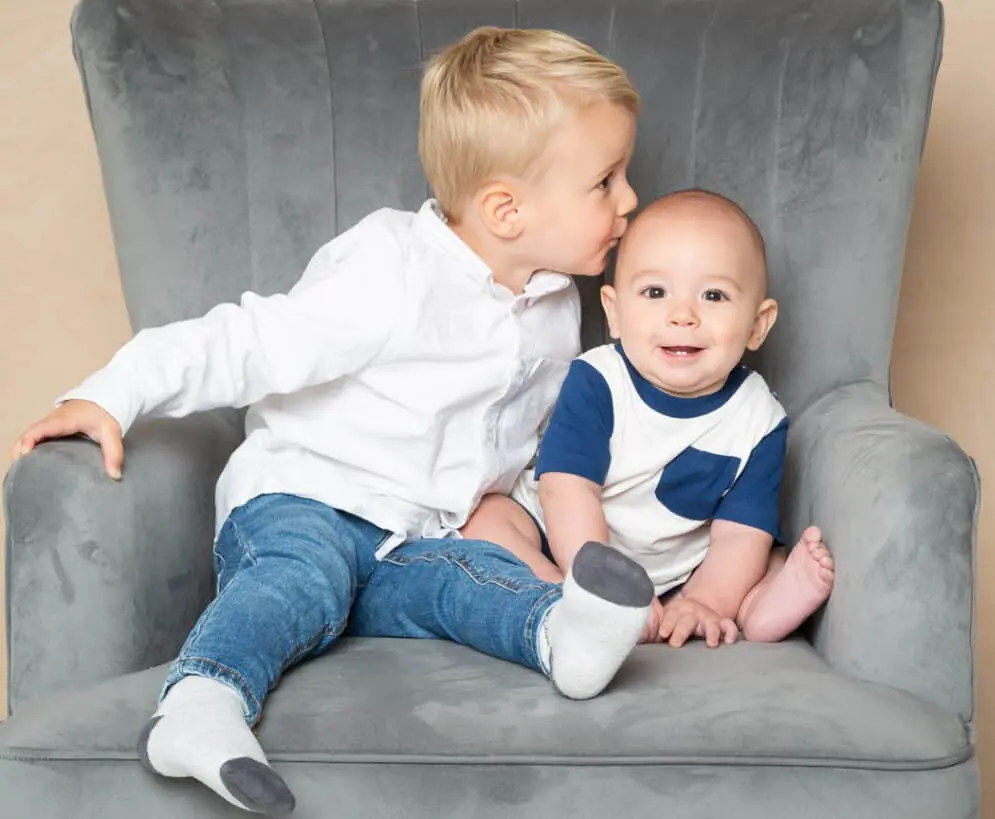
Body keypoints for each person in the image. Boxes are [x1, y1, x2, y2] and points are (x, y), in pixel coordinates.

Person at [10, 27, 652, 816]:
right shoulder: (391, 268)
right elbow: (244, 341)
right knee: (302, 579)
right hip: (303, 498)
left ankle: (559, 635)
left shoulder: (556, 307)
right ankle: (202, 700)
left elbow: (519, 442)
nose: (629, 200)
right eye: (606, 181)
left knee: (458, 585)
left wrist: (510, 508)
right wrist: (113, 391)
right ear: (506, 209)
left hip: (411, 535)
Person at [462, 190, 835, 650]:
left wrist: (704, 600)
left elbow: (740, 534)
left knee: (760, 554)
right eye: (655, 292)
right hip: (564, 542)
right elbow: (566, 490)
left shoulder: (760, 419)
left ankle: (759, 608)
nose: (682, 315)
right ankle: (555, 592)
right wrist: (595, 581)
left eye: (713, 295)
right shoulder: (599, 381)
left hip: (676, 570)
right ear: (615, 312)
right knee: (485, 519)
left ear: (758, 324)